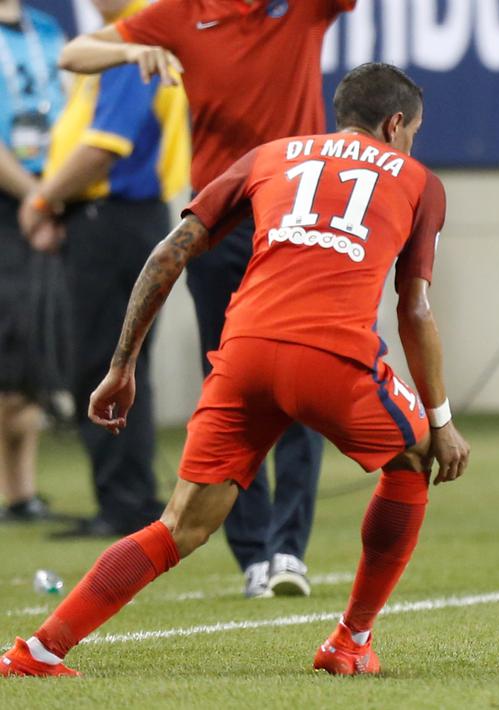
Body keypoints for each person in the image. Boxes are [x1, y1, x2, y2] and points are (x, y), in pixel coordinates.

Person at [1, 62, 469, 678]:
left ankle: (37, 651)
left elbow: (170, 251)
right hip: (332, 356)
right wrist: (441, 419)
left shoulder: (268, 156)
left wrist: (123, 365)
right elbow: (413, 308)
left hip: (242, 351)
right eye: (413, 132)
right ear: (397, 123)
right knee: (412, 458)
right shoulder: (419, 181)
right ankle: (350, 640)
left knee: (180, 525)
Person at [56, 0, 356, 596]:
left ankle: (287, 549)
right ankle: (252, 556)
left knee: (305, 379)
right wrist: (128, 50)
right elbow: (73, 53)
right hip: (220, 220)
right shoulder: (177, 15)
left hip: (297, 217)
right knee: (229, 384)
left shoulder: (299, 9)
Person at [18, 0, 189, 539]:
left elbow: (104, 147)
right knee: (111, 359)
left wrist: (42, 200)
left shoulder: (135, 37)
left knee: (104, 363)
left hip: (116, 219)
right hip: (111, 218)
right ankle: (126, 497)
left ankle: (125, 503)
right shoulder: (121, 35)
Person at [0, 0, 65, 523]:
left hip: (50, 195)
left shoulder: (48, 30)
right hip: (14, 201)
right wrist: (36, 197)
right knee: (9, 342)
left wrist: (52, 195)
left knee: (33, 351)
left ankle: (21, 493)